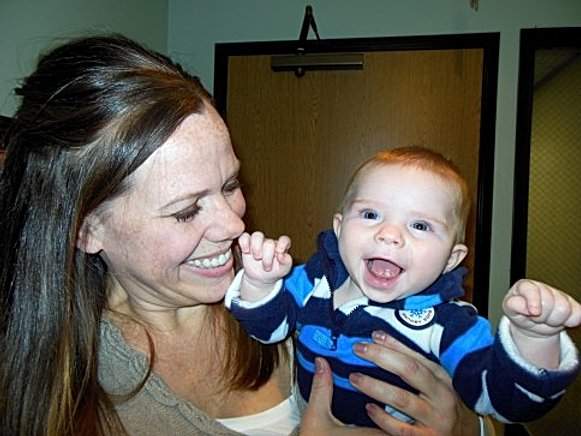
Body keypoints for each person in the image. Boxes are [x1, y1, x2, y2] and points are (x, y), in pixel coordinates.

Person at [0, 35, 491, 436]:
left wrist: (468, 429)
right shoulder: (57, 397)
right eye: (186, 210)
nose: (235, 226)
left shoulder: (289, 297)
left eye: (231, 184)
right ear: (86, 229)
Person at [226, 146, 581, 427]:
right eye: (370, 215)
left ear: (451, 259)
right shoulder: (313, 281)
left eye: (421, 226)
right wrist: (261, 281)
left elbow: (505, 403)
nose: (389, 234)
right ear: (339, 226)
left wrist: (535, 340)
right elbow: (267, 329)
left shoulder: (448, 325)